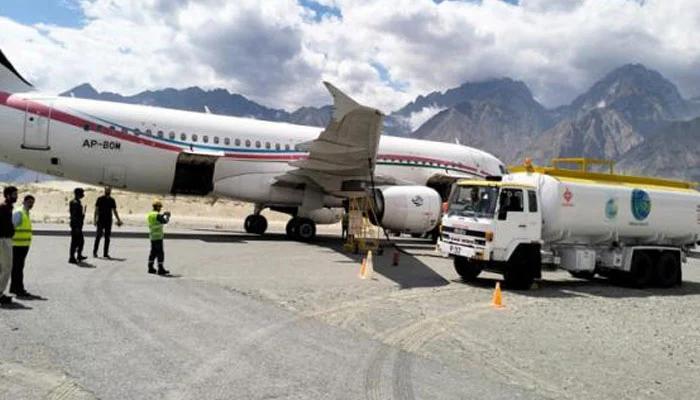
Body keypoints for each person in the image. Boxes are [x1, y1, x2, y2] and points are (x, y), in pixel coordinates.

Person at [10, 195, 35, 297]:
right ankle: (18, 289)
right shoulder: (19, 212)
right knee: (17, 268)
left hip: (23, 245)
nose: (31, 204)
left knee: (18, 267)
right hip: (17, 245)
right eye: (29, 202)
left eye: (32, 202)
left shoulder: (25, 212)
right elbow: (11, 227)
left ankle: (15, 288)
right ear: (24, 201)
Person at [93, 186, 122, 259]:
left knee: (107, 238)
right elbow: (96, 210)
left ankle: (105, 253)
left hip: (108, 221)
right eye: (107, 190)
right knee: (98, 236)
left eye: (109, 190)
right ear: (104, 190)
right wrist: (95, 219)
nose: (108, 191)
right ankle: (95, 252)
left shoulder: (112, 200)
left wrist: (118, 219)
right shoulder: (100, 199)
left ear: (110, 191)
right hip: (101, 220)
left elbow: (114, 211)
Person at [0, 186, 18, 305]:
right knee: (7, 267)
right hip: (3, 240)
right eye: (14, 194)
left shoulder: (8, 207)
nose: (16, 197)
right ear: (7, 195)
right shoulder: (3, 207)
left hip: (5, 239)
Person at [147, 199, 171, 275]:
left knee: (153, 252)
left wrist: (163, 214)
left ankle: (150, 267)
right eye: (160, 206)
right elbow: (164, 221)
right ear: (157, 207)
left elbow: (157, 218)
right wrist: (167, 216)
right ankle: (160, 268)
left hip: (152, 236)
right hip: (158, 237)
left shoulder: (150, 214)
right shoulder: (157, 215)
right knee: (160, 253)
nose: (160, 208)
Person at [69, 187, 87, 264]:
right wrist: (76, 227)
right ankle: (72, 258)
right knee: (75, 242)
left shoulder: (77, 202)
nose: (83, 195)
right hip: (76, 225)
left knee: (80, 241)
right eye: (82, 193)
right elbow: (74, 216)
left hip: (78, 225)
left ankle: (78, 255)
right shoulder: (75, 203)